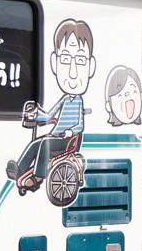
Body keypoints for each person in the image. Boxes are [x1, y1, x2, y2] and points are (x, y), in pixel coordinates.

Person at [8, 19, 95, 194]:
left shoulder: (78, 101)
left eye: (79, 60)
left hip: (68, 140)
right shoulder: (64, 100)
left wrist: (70, 131)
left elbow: (80, 125)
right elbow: (50, 115)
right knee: (36, 143)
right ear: (54, 62)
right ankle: (20, 169)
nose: (72, 72)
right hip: (57, 136)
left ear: (90, 67)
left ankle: (38, 177)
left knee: (45, 143)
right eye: (65, 60)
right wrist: (38, 116)